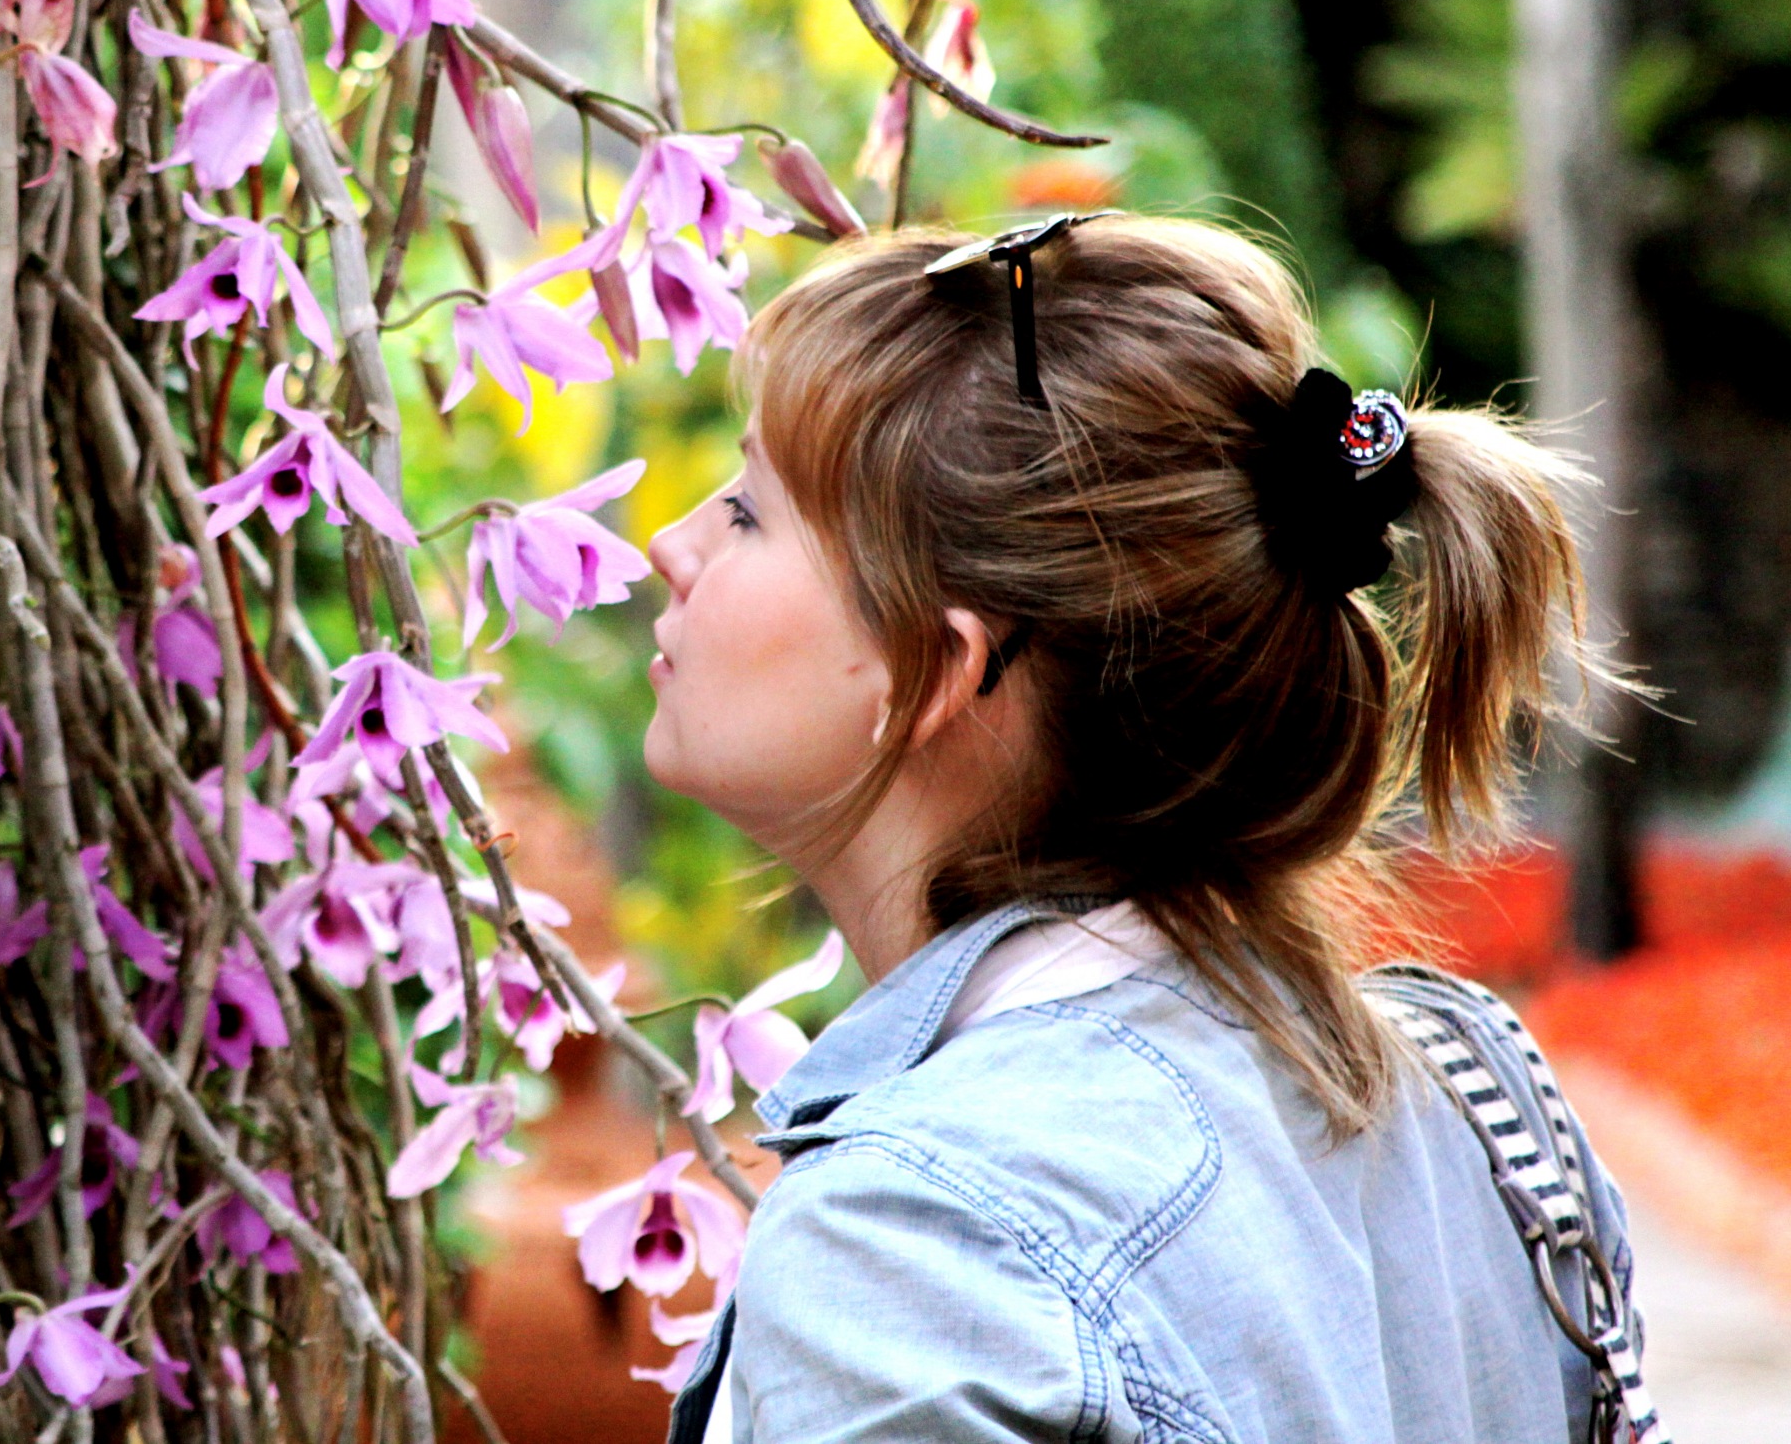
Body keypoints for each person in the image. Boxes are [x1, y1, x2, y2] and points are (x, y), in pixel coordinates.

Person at [642, 216, 1661, 1444]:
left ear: (933, 672)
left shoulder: (915, 1242)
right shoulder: (1470, 1097)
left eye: (748, 512)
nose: (669, 546)